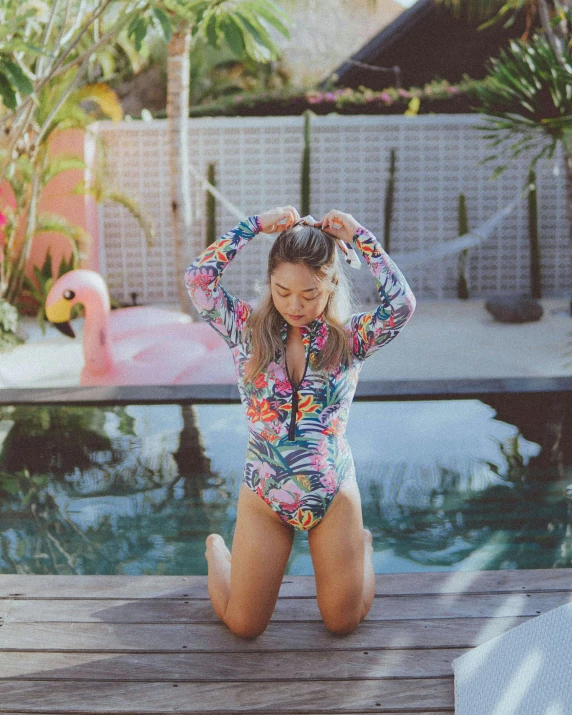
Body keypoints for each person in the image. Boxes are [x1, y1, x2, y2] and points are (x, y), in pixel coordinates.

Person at [184, 205, 416, 639]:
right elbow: (198, 279)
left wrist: (360, 236)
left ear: (329, 287)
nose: (294, 304)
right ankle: (218, 550)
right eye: (282, 290)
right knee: (243, 626)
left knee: (342, 623)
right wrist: (254, 226)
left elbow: (402, 304)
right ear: (269, 282)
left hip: (331, 495)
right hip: (264, 495)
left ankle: (360, 543)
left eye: (309, 294)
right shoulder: (244, 331)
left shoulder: (350, 339)